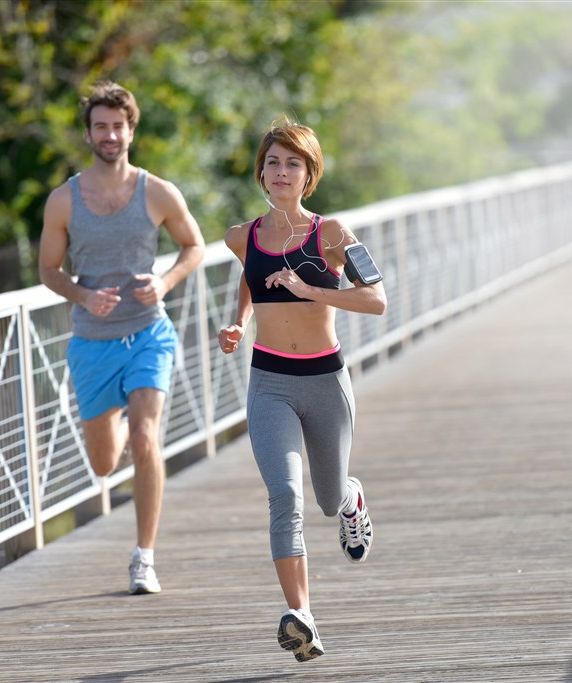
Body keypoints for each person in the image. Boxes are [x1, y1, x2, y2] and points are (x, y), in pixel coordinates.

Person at [217, 118, 386, 661]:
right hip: (269, 383)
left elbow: (376, 300)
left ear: (308, 175)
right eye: (273, 162)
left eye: (293, 163)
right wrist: (240, 321)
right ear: (261, 173)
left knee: (326, 497)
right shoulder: (240, 236)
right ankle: (302, 617)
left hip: (325, 381)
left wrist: (310, 289)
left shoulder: (332, 234)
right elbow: (251, 273)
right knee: (284, 496)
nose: (281, 171)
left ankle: (350, 500)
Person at [39, 80, 205, 595]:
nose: (110, 135)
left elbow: (194, 246)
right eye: (100, 127)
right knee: (105, 462)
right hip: (91, 342)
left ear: (131, 130)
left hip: (148, 334)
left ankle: (144, 558)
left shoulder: (157, 192)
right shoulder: (63, 200)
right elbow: (47, 269)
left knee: (147, 436)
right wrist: (82, 296)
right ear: (89, 134)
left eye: (118, 126)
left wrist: (165, 282)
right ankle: (123, 432)